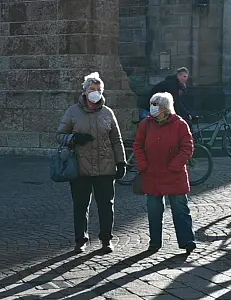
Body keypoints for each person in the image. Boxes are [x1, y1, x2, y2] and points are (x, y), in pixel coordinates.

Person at [57, 72, 127, 254]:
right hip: (80, 168)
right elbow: (59, 136)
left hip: (105, 167)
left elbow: (116, 140)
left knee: (106, 206)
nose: (95, 92)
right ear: (85, 91)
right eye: (91, 89)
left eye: (98, 89)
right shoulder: (72, 112)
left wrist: (121, 162)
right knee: (80, 206)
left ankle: (106, 240)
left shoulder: (107, 112)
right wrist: (74, 138)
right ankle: (80, 240)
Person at [133, 92, 196, 255]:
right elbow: (138, 145)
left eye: (156, 105)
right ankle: (155, 242)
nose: (153, 107)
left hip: (174, 174)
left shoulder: (180, 124)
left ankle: (187, 241)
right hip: (152, 174)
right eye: (152, 103)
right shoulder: (146, 124)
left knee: (180, 209)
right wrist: (143, 164)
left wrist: (174, 165)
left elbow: (187, 148)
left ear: (165, 108)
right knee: (154, 211)